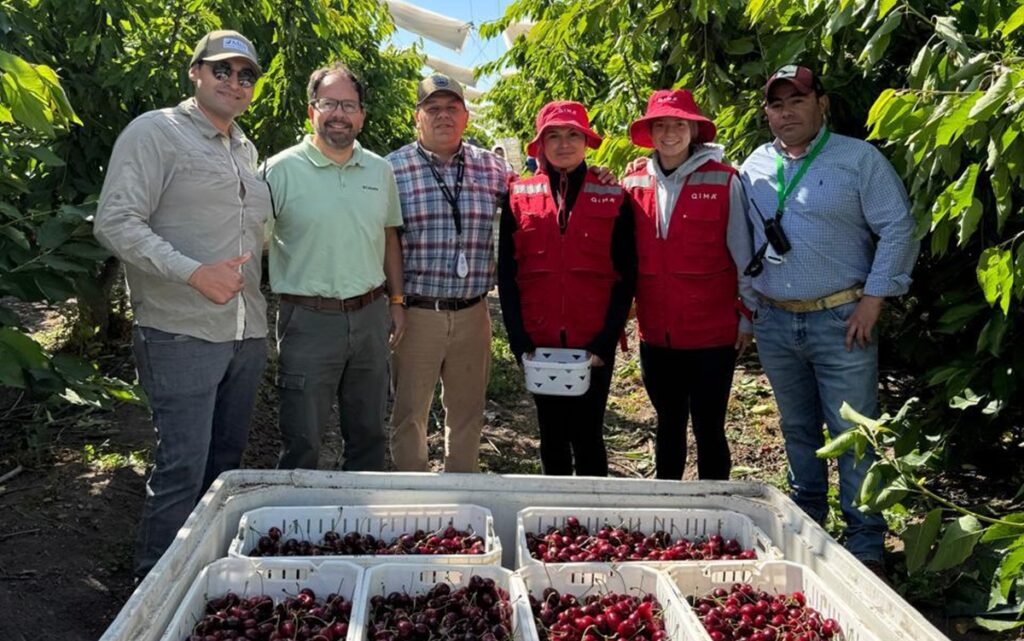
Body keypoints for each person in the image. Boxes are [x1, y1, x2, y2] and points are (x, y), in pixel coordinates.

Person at [93, 30, 270, 579]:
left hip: (246, 332)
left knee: (224, 467)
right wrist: (195, 273)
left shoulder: (245, 148)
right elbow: (116, 222)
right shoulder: (156, 133)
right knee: (181, 468)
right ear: (195, 72)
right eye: (222, 70)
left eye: (245, 75)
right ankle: (155, 586)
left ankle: (206, 576)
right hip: (181, 331)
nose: (234, 82)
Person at [740, 65, 919, 567]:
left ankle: (864, 543)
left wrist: (873, 299)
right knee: (797, 428)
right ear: (766, 113)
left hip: (840, 318)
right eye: (776, 105)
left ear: (822, 103)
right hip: (776, 320)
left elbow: (898, 228)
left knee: (854, 435)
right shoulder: (753, 165)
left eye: (796, 100)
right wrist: (751, 310)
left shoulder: (858, 160)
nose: (786, 112)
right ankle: (806, 523)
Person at [264, 63, 404, 471]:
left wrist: (396, 301)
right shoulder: (280, 170)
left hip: (369, 317)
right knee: (301, 436)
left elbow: (389, 237)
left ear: (361, 115)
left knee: (368, 434)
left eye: (349, 105)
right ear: (311, 111)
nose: (339, 114)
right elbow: (250, 241)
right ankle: (294, 526)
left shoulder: (380, 170)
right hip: (307, 319)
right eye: (329, 104)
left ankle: (361, 529)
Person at [498, 101, 637, 476]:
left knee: (589, 434)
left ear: (587, 142)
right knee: (552, 435)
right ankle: (554, 523)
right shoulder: (517, 195)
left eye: (573, 134)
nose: (563, 143)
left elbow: (626, 276)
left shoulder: (614, 196)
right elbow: (507, 274)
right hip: (539, 338)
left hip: (591, 339)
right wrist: (518, 340)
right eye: (553, 136)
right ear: (540, 144)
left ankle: (593, 523)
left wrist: (606, 341)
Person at [623, 89, 755, 481]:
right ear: (650, 132)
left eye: (678, 124)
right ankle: (668, 506)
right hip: (656, 332)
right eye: (660, 125)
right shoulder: (633, 184)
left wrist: (747, 317)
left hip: (710, 333)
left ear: (693, 130)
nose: (669, 133)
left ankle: (715, 512)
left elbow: (743, 254)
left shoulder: (723, 180)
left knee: (709, 426)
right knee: (667, 423)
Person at [385, 74, 511, 473]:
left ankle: (462, 495)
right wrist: (394, 302)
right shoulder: (391, 170)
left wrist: (602, 177)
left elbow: (540, 196)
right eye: (432, 109)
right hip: (417, 311)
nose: (443, 116)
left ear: (466, 117)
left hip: (474, 313)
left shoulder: (494, 169)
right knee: (409, 414)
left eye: (451, 108)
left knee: (468, 411)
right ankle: (412, 498)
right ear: (416, 118)